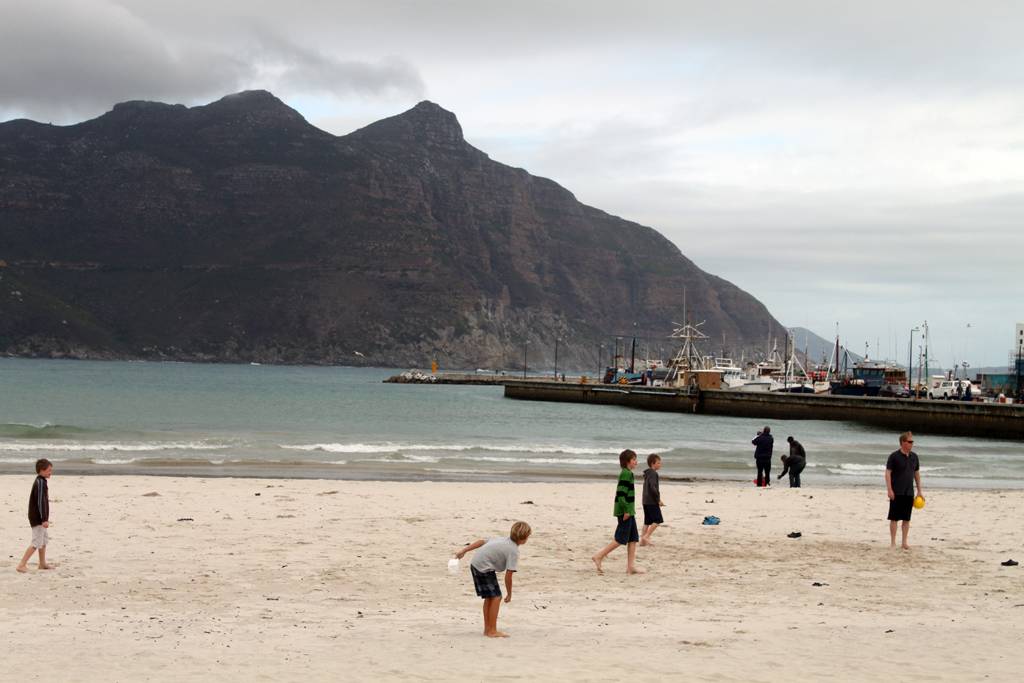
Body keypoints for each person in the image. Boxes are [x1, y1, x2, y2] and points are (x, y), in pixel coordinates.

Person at [454, 521, 532, 637]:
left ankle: (488, 629)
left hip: (476, 564)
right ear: (524, 538)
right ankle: (492, 630)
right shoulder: (513, 551)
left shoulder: (502, 539)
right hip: (484, 568)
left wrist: (464, 550)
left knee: (490, 597)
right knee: (496, 597)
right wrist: (509, 594)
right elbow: (508, 575)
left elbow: (482, 541)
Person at [592, 449, 643, 575]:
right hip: (625, 511)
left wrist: (629, 510)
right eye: (634, 460)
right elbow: (621, 494)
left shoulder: (628, 473)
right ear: (627, 462)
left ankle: (630, 567)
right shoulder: (626, 474)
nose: (636, 462)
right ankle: (599, 556)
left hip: (629, 511)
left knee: (633, 539)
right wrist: (626, 510)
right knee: (620, 539)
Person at [885, 431, 924, 549]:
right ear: (903, 442)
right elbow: (887, 473)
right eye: (910, 441)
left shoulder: (914, 457)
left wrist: (920, 491)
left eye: (912, 442)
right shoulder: (894, 456)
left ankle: (904, 543)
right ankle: (893, 542)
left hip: (909, 492)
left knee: (906, 519)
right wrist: (889, 490)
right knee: (894, 518)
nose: (912, 444)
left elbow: (916, 474)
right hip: (896, 492)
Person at [16, 458, 54, 573]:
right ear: (41, 470)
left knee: (43, 540)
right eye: (49, 470)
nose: (50, 472)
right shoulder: (40, 483)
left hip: (39, 517)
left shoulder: (41, 481)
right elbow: (40, 502)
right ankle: (21, 565)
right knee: (36, 542)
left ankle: (42, 563)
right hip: (38, 518)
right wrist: (44, 519)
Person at [640, 454, 665, 546]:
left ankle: (642, 542)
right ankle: (646, 536)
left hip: (645, 500)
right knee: (658, 519)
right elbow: (653, 488)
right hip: (651, 501)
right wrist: (658, 500)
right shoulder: (654, 473)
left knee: (647, 521)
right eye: (658, 463)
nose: (660, 464)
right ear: (652, 464)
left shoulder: (647, 473)